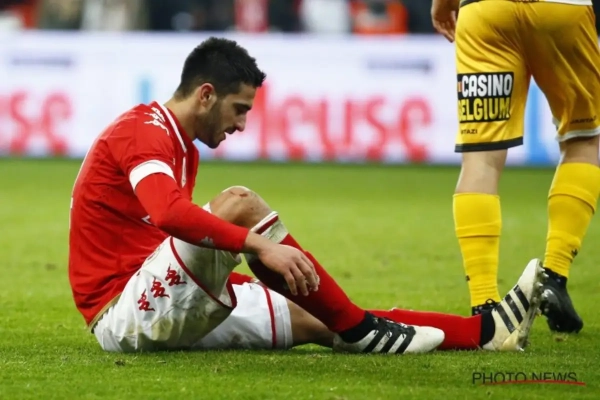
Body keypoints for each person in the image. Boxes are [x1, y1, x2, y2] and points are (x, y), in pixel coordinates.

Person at [68, 37, 543, 354]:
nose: (241, 124)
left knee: (318, 315)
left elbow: (159, 233)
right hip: (124, 311)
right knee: (238, 202)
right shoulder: (143, 131)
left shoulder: (181, 147)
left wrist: (241, 272)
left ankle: (486, 332)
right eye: (239, 109)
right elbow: (168, 214)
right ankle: (360, 330)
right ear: (206, 95)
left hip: (155, 293)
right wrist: (260, 245)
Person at [431, 0, 600, 333]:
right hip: (562, 9)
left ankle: (484, 307)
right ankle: (554, 276)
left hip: (484, 11)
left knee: (480, 157)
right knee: (583, 139)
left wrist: (442, 5)